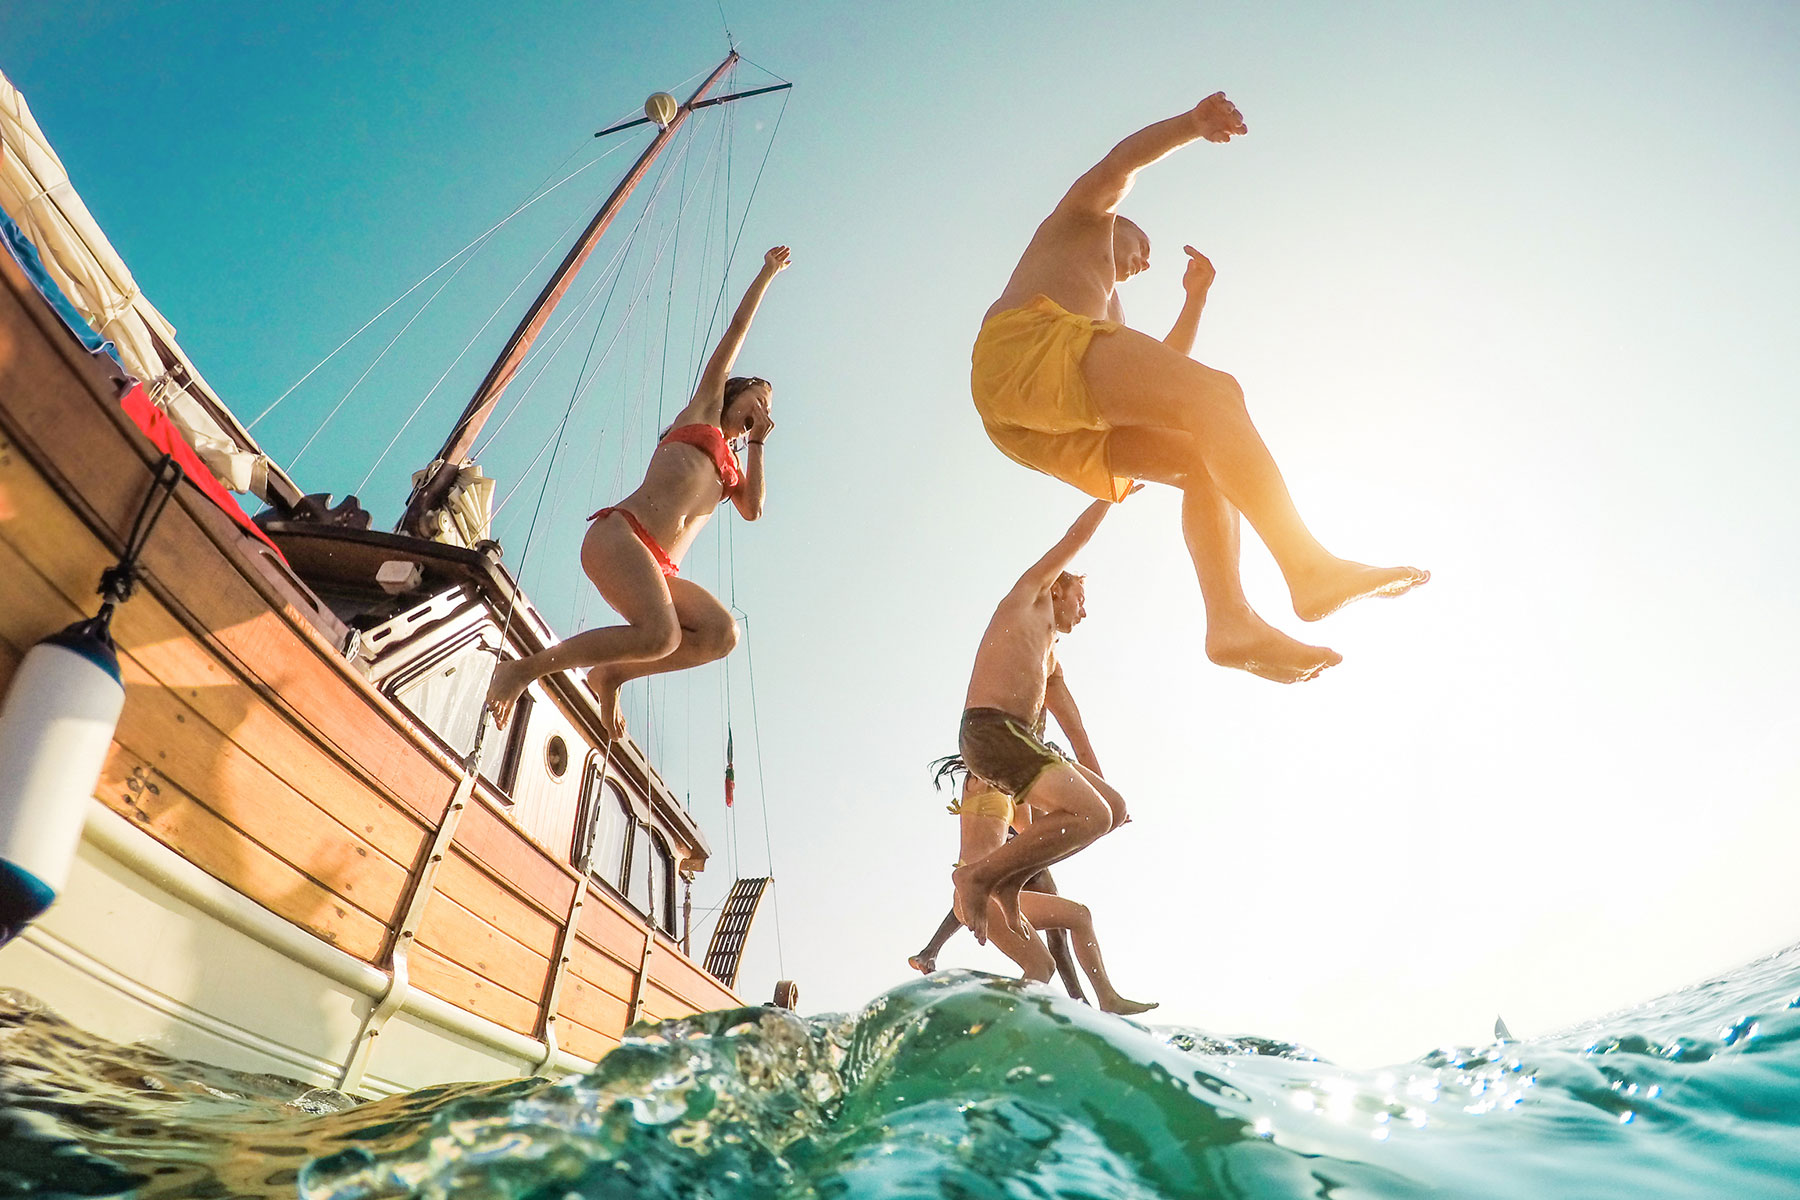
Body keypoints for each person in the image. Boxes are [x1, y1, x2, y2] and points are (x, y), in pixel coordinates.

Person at [971, 92, 1428, 684]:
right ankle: (1308, 567)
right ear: (1121, 224)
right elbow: (1120, 163)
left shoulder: (1106, 312)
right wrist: (1190, 125)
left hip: (1029, 420)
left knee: (1201, 455)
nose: (1144, 262)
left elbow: (1155, 377)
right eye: (1143, 248)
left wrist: (1196, 299)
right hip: (1022, 349)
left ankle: (1230, 621)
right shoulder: (1083, 219)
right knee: (1219, 394)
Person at [486, 246, 790, 733]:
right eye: (760, 396)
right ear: (739, 393)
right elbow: (735, 332)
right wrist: (767, 272)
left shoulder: (732, 471)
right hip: (620, 535)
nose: (765, 407)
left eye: (769, 405)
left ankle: (610, 675)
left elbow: (754, 509)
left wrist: (756, 441)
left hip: (660, 567)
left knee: (720, 634)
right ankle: (521, 671)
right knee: (661, 634)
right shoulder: (704, 411)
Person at [951, 495, 1135, 945]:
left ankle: (1011, 878)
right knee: (1092, 814)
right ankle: (977, 877)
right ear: (1059, 589)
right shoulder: (1029, 597)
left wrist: (1102, 790)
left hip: (1020, 745)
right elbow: (1076, 538)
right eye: (1081, 599)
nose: (1084, 611)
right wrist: (1113, 492)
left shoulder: (1050, 660)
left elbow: (1078, 735)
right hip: (990, 730)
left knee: (1111, 809)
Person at [910, 767, 1087, 1004]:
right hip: (985, 889)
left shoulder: (974, 778)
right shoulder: (1010, 782)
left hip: (970, 889)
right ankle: (1003, 1018)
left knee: (1057, 945)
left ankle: (931, 952)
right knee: (1042, 964)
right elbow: (1035, 829)